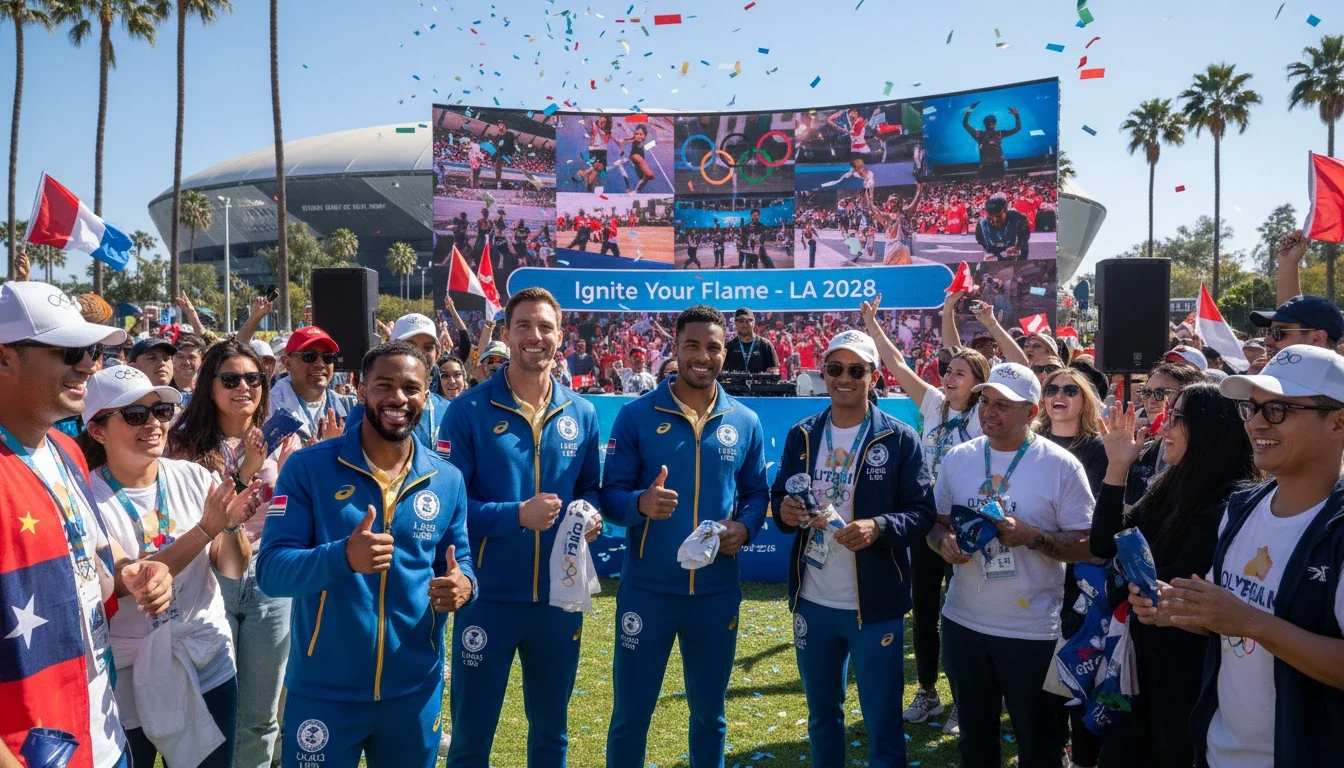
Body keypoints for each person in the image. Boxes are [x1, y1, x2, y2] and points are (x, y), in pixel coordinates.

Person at [257, 341, 477, 768]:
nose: (398, 398)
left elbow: (459, 559)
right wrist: (343, 557)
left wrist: (464, 585)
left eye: (411, 388)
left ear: (427, 394)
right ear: (361, 390)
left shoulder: (446, 478)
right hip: (325, 690)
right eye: (385, 385)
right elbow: (271, 571)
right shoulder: (308, 468)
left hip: (414, 689)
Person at [1130, 344, 1344, 766]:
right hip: (1217, 751)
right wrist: (1176, 607)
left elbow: (1243, 619)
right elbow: (1221, 620)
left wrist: (1250, 622)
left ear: (1339, 422)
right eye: (1253, 408)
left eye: (1278, 409)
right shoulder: (1242, 507)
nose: (1257, 423)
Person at [0, 280, 172, 768]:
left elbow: (93, 551)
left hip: (98, 728)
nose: (89, 365)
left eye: (94, 350)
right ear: (4, 357)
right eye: (69, 350)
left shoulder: (67, 449)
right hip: (28, 747)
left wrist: (132, 570)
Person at [600, 305, 769, 767]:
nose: (702, 356)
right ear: (674, 348)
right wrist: (639, 503)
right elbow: (609, 494)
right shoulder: (636, 416)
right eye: (692, 345)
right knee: (631, 716)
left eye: (713, 347)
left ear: (724, 352)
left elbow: (757, 493)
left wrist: (746, 526)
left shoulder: (745, 421)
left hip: (716, 595)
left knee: (710, 716)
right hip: (647, 594)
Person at [441, 288, 603, 767]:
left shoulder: (583, 413)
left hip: (559, 600)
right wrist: (516, 515)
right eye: (525, 327)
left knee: (552, 735)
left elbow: (590, 490)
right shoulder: (467, 411)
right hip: (488, 599)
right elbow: (447, 507)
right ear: (506, 335)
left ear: (560, 335)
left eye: (545, 327)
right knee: (471, 739)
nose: (536, 336)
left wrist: (590, 516)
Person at [79, 366, 266, 768]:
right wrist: (204, 530)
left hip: (206, 657)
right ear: (97, 431)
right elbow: (126, 580)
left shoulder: (194, 476)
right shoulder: (85, 497)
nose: (153, 423)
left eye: (161, 411)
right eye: (134, 415)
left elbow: (232, 568)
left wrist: (230, 528)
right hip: (127, 670)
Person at [771, 330, 935, 767]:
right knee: (823, 716)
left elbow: (921, 513)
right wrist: (784, 511)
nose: (845, 378)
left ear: (873, 376)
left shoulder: (899, 439)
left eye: (856, 370)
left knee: (882, 720)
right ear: (822, 373)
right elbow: (779, 494)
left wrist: (877, 527)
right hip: (814, 600)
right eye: (835, 368)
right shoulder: (802, 435)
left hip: (874, 604)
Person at [927, 363, 1096, 768]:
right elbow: (936, 524)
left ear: (1031, 412)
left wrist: (1033, 537)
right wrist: (943, 544)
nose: (989, 411)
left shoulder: (1060, 465)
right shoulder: (958, 458)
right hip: (964, 623)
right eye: (985, 401)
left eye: (1003, 404)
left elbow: (1087, 544)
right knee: (975, 743)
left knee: (1039, 746)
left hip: (1032, 631)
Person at [1091, 386, 1257, 768]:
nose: (1164, 424)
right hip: (1141, 666)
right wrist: (1117, 466)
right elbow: (1104, 544)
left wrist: (1124, 577)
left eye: (1177, 416)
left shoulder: (1231, 502)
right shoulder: (1172, 484)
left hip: (1185, 681)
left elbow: (1165, 586)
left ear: (1208, 429)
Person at [166, 340, 300, 768]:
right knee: (212, 706)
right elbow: (201, 515)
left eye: (253, 378)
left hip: (268, 577)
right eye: (230, 379)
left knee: (260, 714)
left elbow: (298, 504)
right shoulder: (182, 444)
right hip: (207, 579)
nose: (244, 386)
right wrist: (244, 472)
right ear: (210, 386)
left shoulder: (282, 438)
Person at [862, 294, 988, 734]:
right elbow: (896, 364)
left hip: (967, 528)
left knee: (961, 613)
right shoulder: (934, 403)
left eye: (959, 373)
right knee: (924, 608)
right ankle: (928, 692)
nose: (948, 377)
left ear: (978, 383)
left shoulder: (983, 418)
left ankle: (962, 699)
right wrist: (872, 325)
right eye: (948, 371)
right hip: (925, 522)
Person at [1031, 366, 1108, 768]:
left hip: (1081, 577)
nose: (1058, 394)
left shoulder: (1098, 449)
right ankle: (1052, 747)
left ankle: (1082, 757)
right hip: (1032, 572)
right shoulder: (1030, 444)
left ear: (1085, 400)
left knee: (1076, 667)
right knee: (1042, 675)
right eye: (1051, 388)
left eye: (1070, 389)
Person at [348, 314, 451, 452]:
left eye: (428, 347)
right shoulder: (368, 409)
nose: (419, 353)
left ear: (437, 353)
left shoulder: (450, 410)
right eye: (410, 345)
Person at [269, 326, 353, 443]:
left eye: (327, 357)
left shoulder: (349, 407)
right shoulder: (268, 408)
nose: (320, 364)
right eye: (309, 356)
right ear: (287, 363)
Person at [962, 102, 1021, 177]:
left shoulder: (980, 135)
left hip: (986, 167)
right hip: (999, 166)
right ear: (995, 123)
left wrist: (970, 109)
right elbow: (1018, 128)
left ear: (984, 124)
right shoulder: (999, 133)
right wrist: (1016, 114)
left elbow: (965, 124)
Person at [723, 308, 780, 375]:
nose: (745, 324)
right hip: (735, 385)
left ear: (754, 323)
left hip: (760, 385)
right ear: (736, 323)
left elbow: (774, 371)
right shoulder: (729, 346)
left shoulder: (765, 345)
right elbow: (722, 371)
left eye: (748, 321)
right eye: (741, 321)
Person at [975, 193, 1031, 261]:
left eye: (998, 216)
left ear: (1005, 211)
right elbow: (980, 239)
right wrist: (989, 250)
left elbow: (1025, 234)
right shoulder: (982, 224)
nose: (994, 220)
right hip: (995, 249)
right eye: (990, 216)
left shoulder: (1018, 218)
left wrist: (1018, 246)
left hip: (1014, 250)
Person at [173, 332, 207, 398]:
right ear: (172, 358)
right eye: (180, 356)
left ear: (202, 360)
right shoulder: (163, 386)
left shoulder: (208, 388)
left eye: (192, 357)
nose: (186, 362)